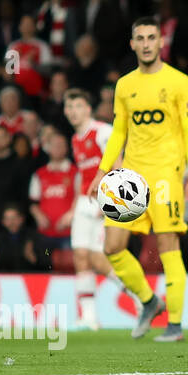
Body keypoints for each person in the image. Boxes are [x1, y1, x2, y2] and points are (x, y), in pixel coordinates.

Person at [97, 16, 188, 342]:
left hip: (166, 175)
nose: (145, 43)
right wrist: (102, 171)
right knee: (112, 247)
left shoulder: (179, 82)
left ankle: (175, 324)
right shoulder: (124, 85)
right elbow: (119, 131)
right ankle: (148, 301)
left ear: (160, 42)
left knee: (168, 244)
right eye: (140, 38)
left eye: (151, 38)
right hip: (130, 176)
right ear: (132, 43)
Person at [63, 89, 116, 329]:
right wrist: (74, 206)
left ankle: (141, 299)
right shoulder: (75, 138)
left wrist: (111, 202)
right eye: (69, 107)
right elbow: (82, 175)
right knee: (80, 257)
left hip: (102, 201)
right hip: (84, 203)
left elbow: (118, 165)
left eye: (77, 106)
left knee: (99, 260)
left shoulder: (103, 132)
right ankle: (89, 317)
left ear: (88, 108)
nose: (72, 111)